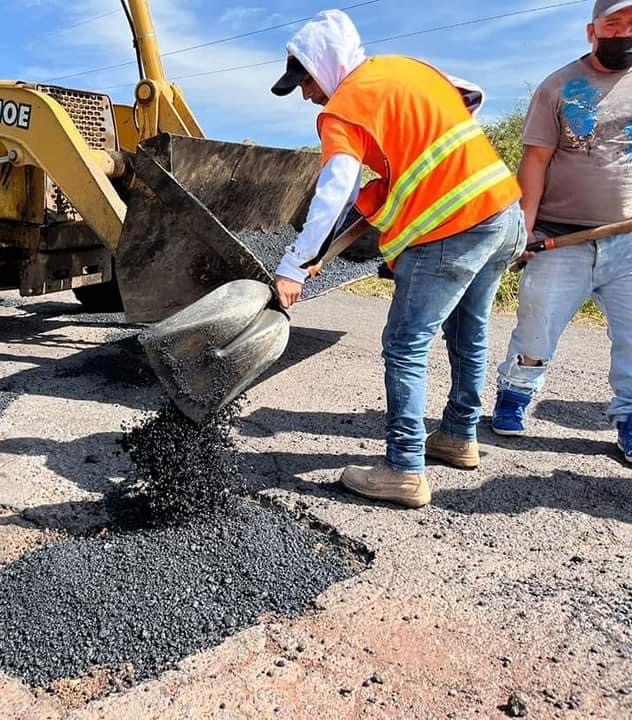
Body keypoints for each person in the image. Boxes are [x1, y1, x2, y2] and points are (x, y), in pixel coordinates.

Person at [270, 10, 525, 508]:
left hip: (454, 229)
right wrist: (402, 174)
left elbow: (335, 189)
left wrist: (295, 263)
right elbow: (472, 96)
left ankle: (404, 469)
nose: (306, 94)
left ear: (327, 63)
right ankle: (457, 436)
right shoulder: (408, 69)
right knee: (468, 333)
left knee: (407, 343)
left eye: (306, 80)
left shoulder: (346, 106)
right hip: (503, 213)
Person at [492, 0, 632, 465]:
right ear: (592, 31)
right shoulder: (558, 87)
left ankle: (629, 419)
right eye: (615, 24)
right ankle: (514, 395)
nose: (625, 33)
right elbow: (534, 162)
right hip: (560, 237)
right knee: (536, 327)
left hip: (629, 241)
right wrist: (522, 232)